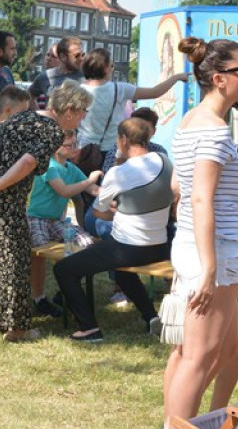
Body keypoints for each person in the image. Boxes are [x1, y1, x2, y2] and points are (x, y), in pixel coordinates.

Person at [158, 36, 238, 429]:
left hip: (209, 246)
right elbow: (199, 197)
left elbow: (188, 187)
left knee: (232, 351)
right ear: (221, 78)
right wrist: (208, 268)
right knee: (199, 356)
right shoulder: (212, 128)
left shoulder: (196, 121)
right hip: (211, 254)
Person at [0, 80, 93, 341]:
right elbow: (27, 162)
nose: (84, 117)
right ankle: (16, 329)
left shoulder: (26, 115)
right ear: (70, 109)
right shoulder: (53, 130)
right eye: (84, 111)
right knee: (13, 259)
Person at [53, 117, 172, 342]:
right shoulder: (163, 160)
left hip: (128, 247)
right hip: (160, 245)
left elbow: (99, 213)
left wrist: (118, 208)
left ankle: (89, 328)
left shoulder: (118, 173)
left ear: (124, 140)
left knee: (64, 269)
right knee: (121, 271)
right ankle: (150, 317)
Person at [26, 129, 101, 316]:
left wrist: (115, 196)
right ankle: (38, 298)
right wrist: (89, 181)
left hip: (55, 220)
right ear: (55, 147)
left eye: (75, 144)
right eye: (69, 145)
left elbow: (94, 190)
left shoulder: (71, 168)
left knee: (87, 244)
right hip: (36, 217)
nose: (74, 149)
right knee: (40, 251)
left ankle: (65, 289)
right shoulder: (48, 166)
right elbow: (64, 191)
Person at [78, 48, 188, 155]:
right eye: (111, 66)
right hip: (110, 150)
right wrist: (176, 78)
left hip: (82, 150)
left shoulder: (79, 89)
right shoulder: (120, 89)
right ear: (105, 68)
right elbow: (155, 92)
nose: (112, 69)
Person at [28, 36, 84, 104]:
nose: (81, 59)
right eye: (77, 55)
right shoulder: (46, 76)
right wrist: (38, 110)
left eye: (82, 55)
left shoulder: (87, 77)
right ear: (63, 57)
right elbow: (29, 96)